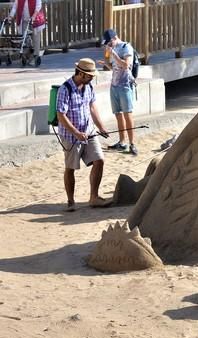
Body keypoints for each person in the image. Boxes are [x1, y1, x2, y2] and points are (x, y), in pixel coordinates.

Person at [55, 58, 110, 212]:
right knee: (70, 168)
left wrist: (101, 127)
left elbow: (92, 107)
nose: (92, 78)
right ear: (80, 73)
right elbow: (61, 115)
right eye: (89, 76)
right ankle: (71, 201)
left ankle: (94, 197)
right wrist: (76, 133)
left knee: (99, 160)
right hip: (70, 135)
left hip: (89, 131)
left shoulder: (89, 87)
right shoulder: (65, 89)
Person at [99, 29, 138, 156]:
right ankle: (122, 142)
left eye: (109, 43)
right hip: (114, 85)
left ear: (115, 38)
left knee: (128, 114)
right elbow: (115, 67)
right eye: (107, 44)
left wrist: (113, 54)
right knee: (118, 114)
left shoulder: (126, 47)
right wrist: (106, 63)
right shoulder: (112, 49)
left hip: (125, 85)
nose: (108, 46)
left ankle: (132, 143)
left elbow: (126, 65)